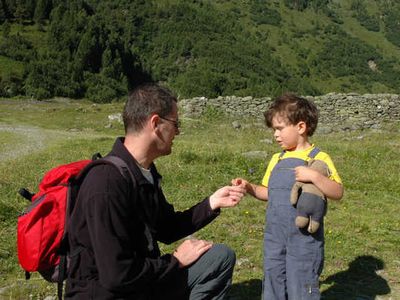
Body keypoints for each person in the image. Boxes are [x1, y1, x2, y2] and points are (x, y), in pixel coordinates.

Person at [65, 83, 246, 299]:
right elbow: (116, 275)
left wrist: (211, 204)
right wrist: (175, 262)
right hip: (108, 293)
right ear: (156, 123)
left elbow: (166, 228)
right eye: (176, 123)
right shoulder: (105, 184)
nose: (178, 131)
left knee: (220, 257)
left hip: (142, 282)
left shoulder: (142, 171)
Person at [232, 94, 343, 300]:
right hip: (275, 234)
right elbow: (268, 192)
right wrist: (249, 187)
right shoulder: (277, 158)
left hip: (305, 237)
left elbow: (337, 192)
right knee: (273, 275)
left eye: (280, 128)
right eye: (274, 129)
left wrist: (315, 176)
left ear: (301, 127)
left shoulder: (318, 158)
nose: (275, 135)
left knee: (301, 280)